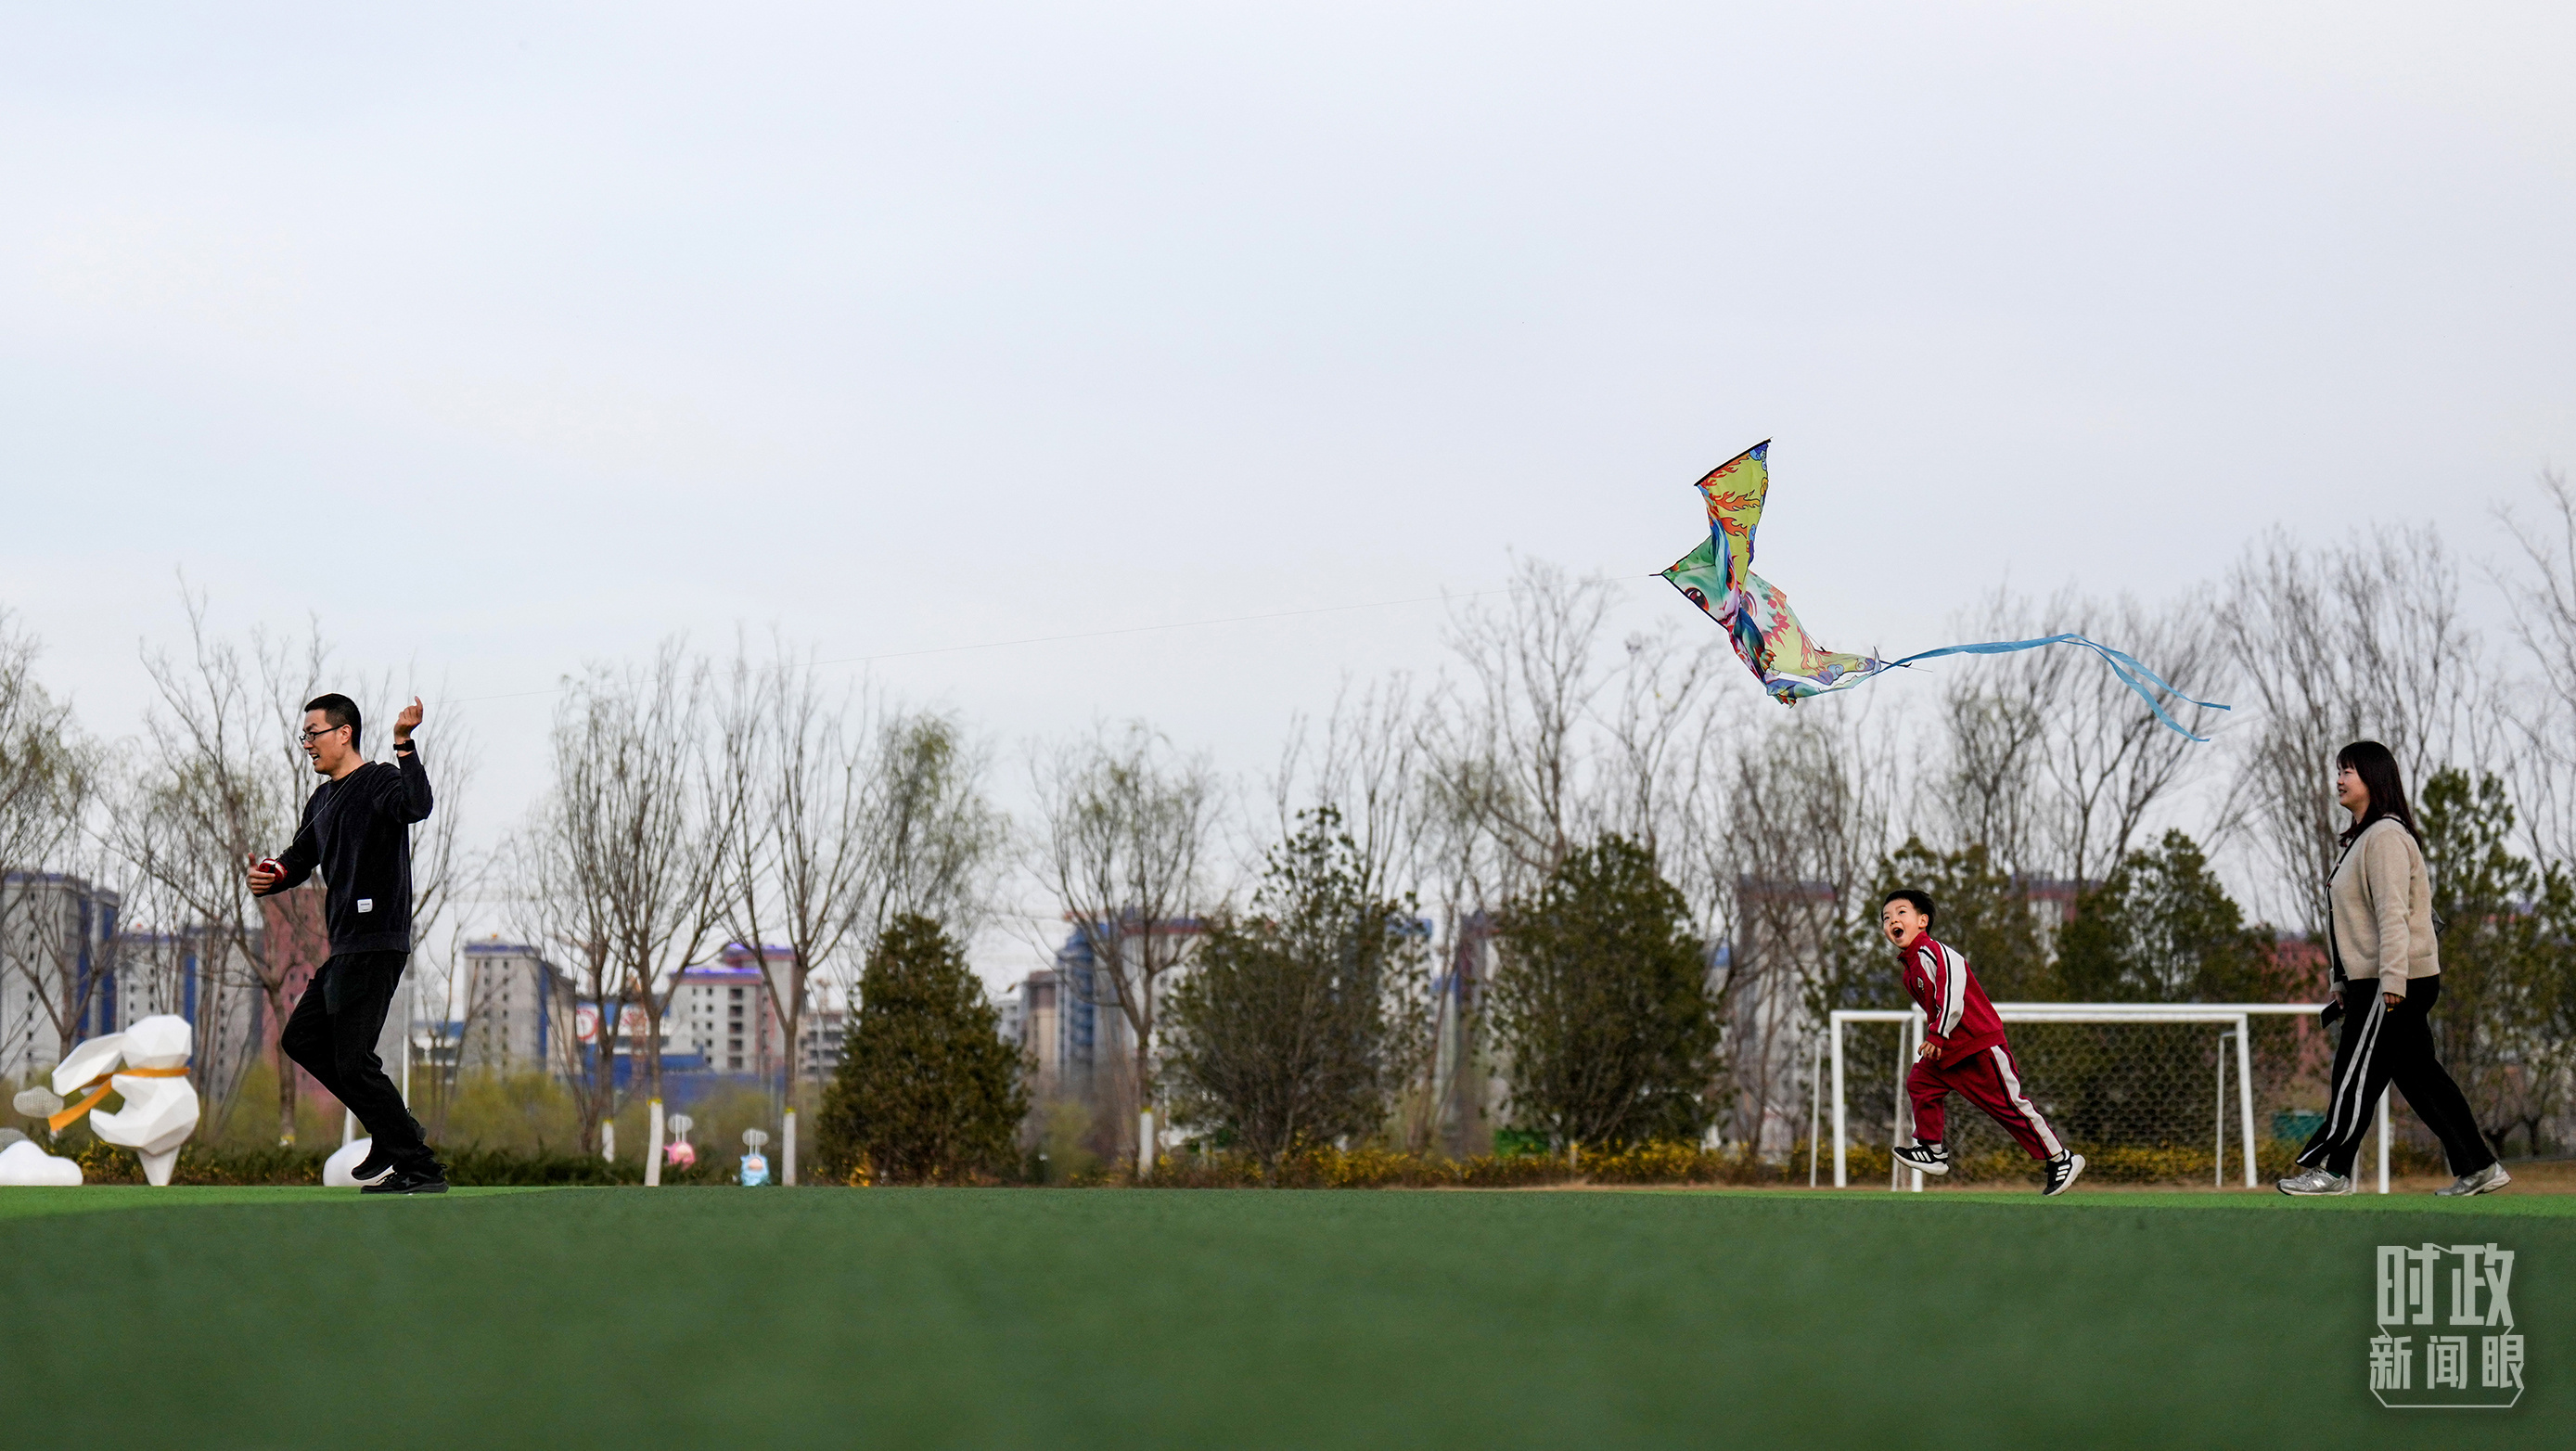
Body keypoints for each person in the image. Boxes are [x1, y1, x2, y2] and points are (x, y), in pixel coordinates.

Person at [2279, 741, 2507, 1197]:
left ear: (2373, 777)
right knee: (2420, 1077)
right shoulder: (2363, 839)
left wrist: (2392, 981)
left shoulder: (2384, 836)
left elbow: (2392, 915)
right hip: (2377, 979)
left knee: (2354, 1073)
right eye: (2338, 770)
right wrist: (2341, 980)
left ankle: (2331, 1170)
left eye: (2348, 771)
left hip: (2394, 981)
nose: (2339, 779)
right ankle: (2479, 1166)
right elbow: (2351, 922)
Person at [250, 692, 447, 1195]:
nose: (307, 744)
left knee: (353, 1060)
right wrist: (272, 874)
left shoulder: (379, 780)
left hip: (377, 940)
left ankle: (418, 1165)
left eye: (313, 734)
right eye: (304, 736)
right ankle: (393, 1132)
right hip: (343, 948)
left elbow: (418, 805)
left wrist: (403, 743)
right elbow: (298, 859)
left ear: (344, 733)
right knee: (301, 1040)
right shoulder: (322, 800)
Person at [1881, 890, 2086, 1196]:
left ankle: (2061, 1159)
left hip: (1977, 1045)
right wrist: (1940, 1039)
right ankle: (1932, 1150)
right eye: (1886, 918)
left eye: (1901, 913)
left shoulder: (1934, 952)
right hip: (1950, 1051)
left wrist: (1937, 1034)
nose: (1892, 921)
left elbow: (1952, 995)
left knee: (2009, 1106)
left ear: (1922, 921)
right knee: (1920, 1082)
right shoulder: (1910, 971)